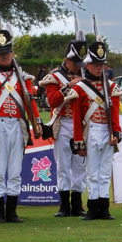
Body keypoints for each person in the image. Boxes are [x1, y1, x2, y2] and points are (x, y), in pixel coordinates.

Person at [0, 28, 42, 224]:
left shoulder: (23, 78)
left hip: (19, 126)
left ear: (12, 54)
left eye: (7, 52)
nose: (4, 56)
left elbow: (29, 102)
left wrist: (37, 123)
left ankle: (12, 212)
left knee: (15, 170)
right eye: (0, 53)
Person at [66, 40, 122, 221]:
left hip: (106, 131)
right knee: (92, 172)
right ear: (88, 65)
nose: (99, 68)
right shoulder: (79, 88)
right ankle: (92, 207)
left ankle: (104, 208)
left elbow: (114, 113)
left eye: (101, 65)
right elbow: (76, 117)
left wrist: (116, 131)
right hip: (90, 130)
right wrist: (78, 140)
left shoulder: (111, 87)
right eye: (96, 65)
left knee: (105, 172)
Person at [40, 34, 87, 217]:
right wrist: (69, 85)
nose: (78, 67)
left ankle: (77, 204)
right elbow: (52, 101)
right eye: (75, 63)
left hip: (80, 125)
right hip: (62, 124)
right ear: (67, 61)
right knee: (62, 165)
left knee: (79, 165)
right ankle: (64, 205)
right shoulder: (54, 77)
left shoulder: (85, 76)